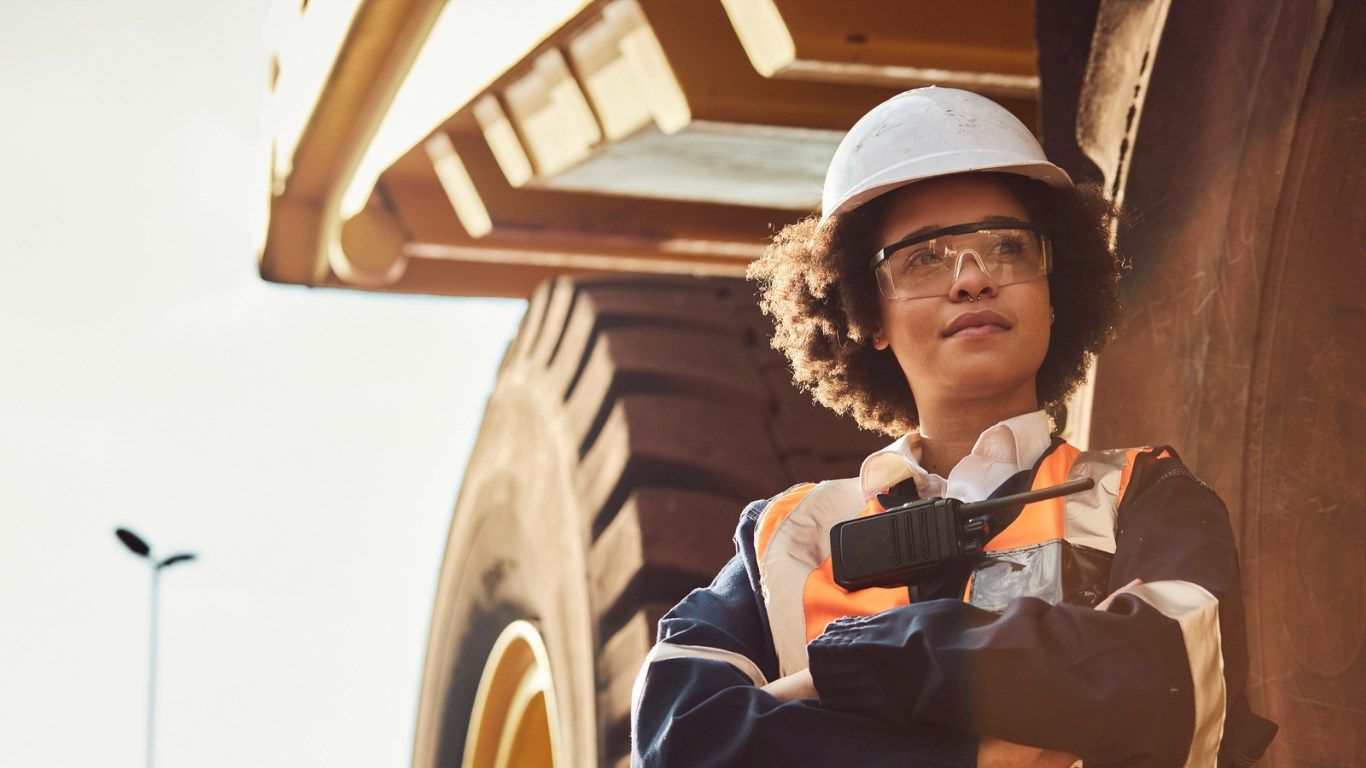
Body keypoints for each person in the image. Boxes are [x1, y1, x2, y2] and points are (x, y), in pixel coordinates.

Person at [630, 87, 1277, 767]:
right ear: (867, 315)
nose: (972, 280)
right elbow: (682, 736)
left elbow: (1169, 680)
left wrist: (862, 666)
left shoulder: (1143, 497)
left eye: (1007, 248)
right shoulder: (786, 537)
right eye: (924, 257)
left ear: (1055, 292)